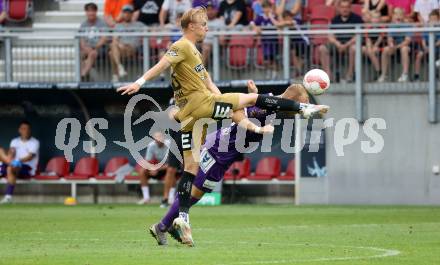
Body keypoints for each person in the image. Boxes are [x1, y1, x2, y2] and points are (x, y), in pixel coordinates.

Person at [117, 7, 328, 246]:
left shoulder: (195, 54)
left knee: (193, 184)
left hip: (219, 145)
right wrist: (139, 82)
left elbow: (210, 82)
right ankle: (169, 223)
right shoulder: (182, 46)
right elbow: (165, 63)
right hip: (216, 146)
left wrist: (225, 101)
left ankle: (168, 224)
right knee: (197, 180)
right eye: (204, 23)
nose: (207, 27)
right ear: (192, 26)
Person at [149, 80, 312, 245]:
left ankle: (168, 224)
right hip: (219, 150)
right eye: (302, 104)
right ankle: (162, 226)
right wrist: (259, 129)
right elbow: (242, 112)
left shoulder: (269, 102)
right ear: (293, 99)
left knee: (198, 193)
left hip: (224, 152)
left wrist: (253, 94)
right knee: (194, 191)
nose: (301, 109)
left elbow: (252, 106)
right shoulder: (267, 107)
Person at [318, 0, 364, 82]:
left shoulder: (357, 18)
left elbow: (358, 36)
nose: (344, 9)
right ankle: (328, 76)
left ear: (350, 8)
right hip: (338, 44)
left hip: (350, 44)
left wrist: (346, 45)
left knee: (353, 48)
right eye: (342, 7)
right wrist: (337, 43)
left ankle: (349, 75)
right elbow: (330, 35)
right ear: (339, 8)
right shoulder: (335, 19)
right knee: (322, 48)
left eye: (347, 7)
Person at [0, 121, 40, 204]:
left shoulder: (35, 142)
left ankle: (8, 197)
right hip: (12, 164)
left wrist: (17, 161)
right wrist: (10, 157)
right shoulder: (15, 141)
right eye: (23, 129)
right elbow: (12, 152)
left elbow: (30, 157)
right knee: (7, 162)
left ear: (30, 130)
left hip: (27, 168)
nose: (25, 130)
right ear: (19, 130)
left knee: (10, 168)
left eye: (27, 129)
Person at [109, 5, 144, 82]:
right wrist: (119, 45)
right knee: (111, 52)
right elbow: (114, 39)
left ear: (132, 14)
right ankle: (120, 67)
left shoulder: (139, 24)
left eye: (129, 13)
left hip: (132, 48)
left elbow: (150, 32)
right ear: (122, 14)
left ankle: (116, 74)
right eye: (125, 12)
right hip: (120, 49)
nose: (127, 14)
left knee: (112, 50)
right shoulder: (118, 26)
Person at [377, 8, 412, 82]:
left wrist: (396, 47)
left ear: (403, 16)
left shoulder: (407, 25)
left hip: (405, 46)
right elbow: (389, 38)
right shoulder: (391, 25)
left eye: (400, 15)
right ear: (393, 16)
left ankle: (405, 74)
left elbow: (407, 41)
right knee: (385, 49)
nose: (398, 17)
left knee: (404, 49)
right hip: (395, 46)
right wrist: (391, 45)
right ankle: (384, 74)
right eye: (396, 14)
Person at [137, 131, 170, 205]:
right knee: (142, 171)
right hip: (158, 167)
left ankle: (170, 198)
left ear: (164, 137)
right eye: (156, 137)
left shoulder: (169, 144)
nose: (158, 139)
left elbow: (172, 163)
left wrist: (156, 169)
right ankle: (146, 198)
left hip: (170, 167)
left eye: (160, 137)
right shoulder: (151, 145)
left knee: (171, 170)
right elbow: (147, 161)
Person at [250, 0, 280, 79]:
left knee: (273, 60)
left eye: (268, 8)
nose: (266, 10)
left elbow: (277, 25)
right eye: (264, 8)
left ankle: (275, 73)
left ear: (271, 8)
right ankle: (268, 72)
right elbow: (252, 23)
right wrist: (256, 28)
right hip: (265, 42)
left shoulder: (274, 17)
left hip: (274, 42)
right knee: (266, 60)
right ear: (262, 8)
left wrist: (271, 17)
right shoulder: (260, 17)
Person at [79, 3, 108, 80]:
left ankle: (83, 75)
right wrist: (85, 48)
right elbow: (82, 40)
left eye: (92, 11)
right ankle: (84, 74)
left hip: (100, 48)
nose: (91, 13)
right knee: (80, 54)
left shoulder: (102, 23)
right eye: (88, 11)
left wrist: (94, 47)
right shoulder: (83, 24)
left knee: (92, 53)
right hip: (87, 48)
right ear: (86, 12)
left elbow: (104, 38)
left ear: (96, 12)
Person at [414, 10, 440, 81]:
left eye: (435, 19)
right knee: (419, 55)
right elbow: (423, 40)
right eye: (431, 19)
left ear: (438, 19)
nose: (433, 21)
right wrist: (425, 47)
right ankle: (417, 76)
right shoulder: (427, 28)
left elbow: (439, 42)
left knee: (434, 56)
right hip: (427, 48)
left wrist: (431, 47)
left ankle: (436, 76)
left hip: (437, 49)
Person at [363, 11, 385, 80]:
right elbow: (368, 39)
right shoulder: (368, 27)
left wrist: (375, 46)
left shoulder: (382, 27)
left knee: (372, 51)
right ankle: (378, 70)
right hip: (370, 46)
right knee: (369, 50)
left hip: (380, 45)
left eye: (377, 18)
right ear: (371, 19)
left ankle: (378, 71)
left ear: (380, 19)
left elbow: (380, 38)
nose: (376, 20)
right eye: (374, 18)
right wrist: (371, 48)